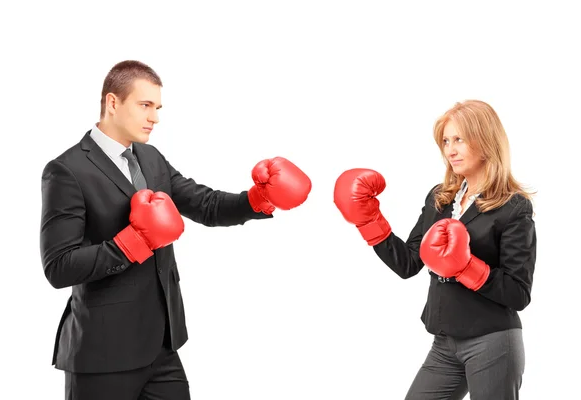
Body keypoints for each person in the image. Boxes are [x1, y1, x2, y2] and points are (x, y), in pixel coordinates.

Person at [39, 60, 312, 400]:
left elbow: (205, 204)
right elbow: (59, 266)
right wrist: (134, 242)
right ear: (112, 103)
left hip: (161, 349)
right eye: (145, 105)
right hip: (102, 354)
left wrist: (258, 199)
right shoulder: (67, 169)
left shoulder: (150, 158)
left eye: (157, 107)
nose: (155, 117)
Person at [333, 100, 536, 400]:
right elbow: (408, 264)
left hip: (492, 342)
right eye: (445, 141)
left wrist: (467, 267)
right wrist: (368, 221)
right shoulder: (441, 199)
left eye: (459, 140)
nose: (450, 150)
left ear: (486, 140)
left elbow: (519, 293)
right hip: (444, 344)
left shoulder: (513, 206)